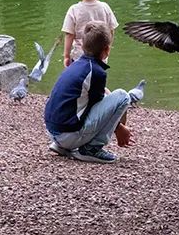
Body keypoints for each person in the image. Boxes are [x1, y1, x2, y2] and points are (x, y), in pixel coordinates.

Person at [44, 21, 132, 163]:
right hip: (68, 136)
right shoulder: (97, 72)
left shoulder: (76, 65)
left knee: (108, 93)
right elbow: (97, 108)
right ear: (107, 50)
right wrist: (119, 128)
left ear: (83, 46)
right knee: (123, 96)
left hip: (53, 133)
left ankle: (64, 146)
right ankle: (92, 148)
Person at [62, 0, 118, 67]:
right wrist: (107, 48)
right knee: (97, 78)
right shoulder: (105, 7)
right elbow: (111, 30)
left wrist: (66, 56)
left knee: (80, 80)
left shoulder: (74, 10)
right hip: (100, 55)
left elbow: (69, 35)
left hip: (80, 56)